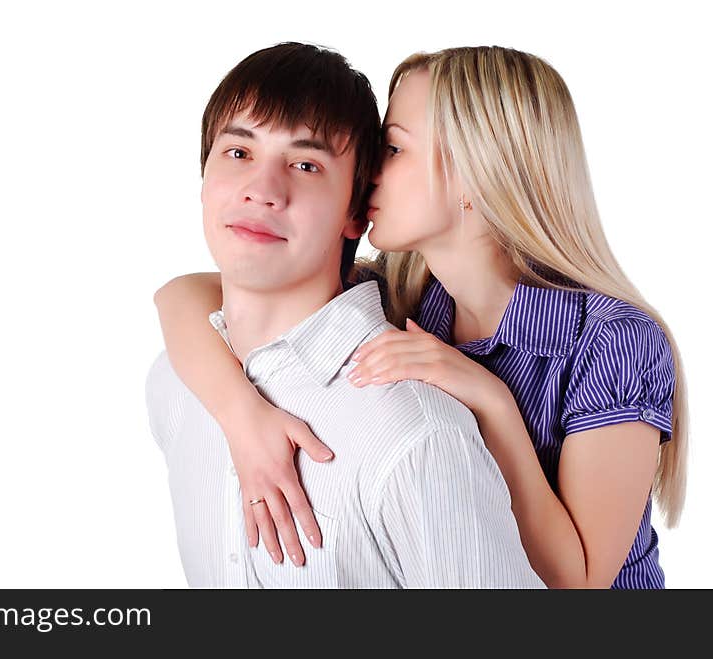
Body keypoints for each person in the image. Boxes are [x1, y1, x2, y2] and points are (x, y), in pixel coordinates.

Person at [154, 46, 687, 589]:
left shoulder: (614, 342)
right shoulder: (408, 293)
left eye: (391, 148)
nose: (368, 172)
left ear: (476, 175)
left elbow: (580, 584)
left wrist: (492, 403)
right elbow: (184, 297)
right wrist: (243, 419)